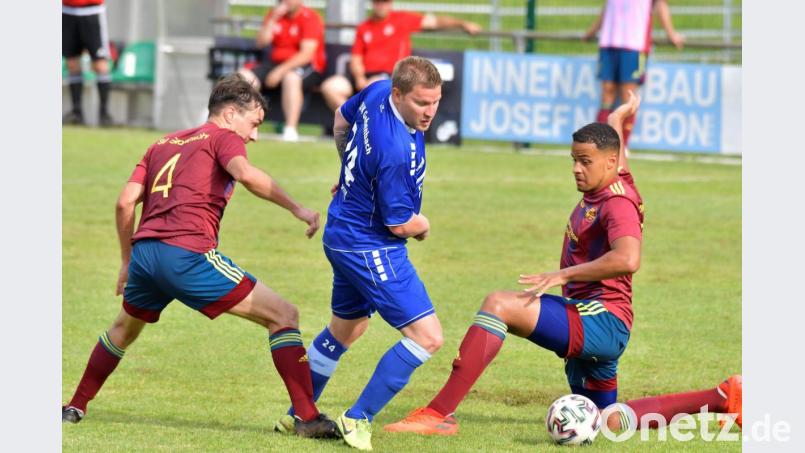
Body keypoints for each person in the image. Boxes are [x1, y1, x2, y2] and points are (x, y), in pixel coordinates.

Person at [383, 91, 742, 436]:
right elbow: (616, 151)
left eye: (584, 161)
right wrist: (617, 117)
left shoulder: (617, 205)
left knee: (499, 305)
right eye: (573, 159)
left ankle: (438, 414)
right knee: (606, 421)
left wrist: (562, 275)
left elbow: (628, 258)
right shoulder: (617, 177)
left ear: (609, 163)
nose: (575, 169)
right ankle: (723, 397)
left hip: (601, 319)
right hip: (600, 322)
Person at [61, 73, 339, 439]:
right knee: (284, 315)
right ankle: (307, 416)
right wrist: (296, 208)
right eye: (253, 123)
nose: (254, 135)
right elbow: (247, 175)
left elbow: (125, 202)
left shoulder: (162, 143)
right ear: (229, 115)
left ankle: (74, 406)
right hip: (187, 254)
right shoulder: (223, 138)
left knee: (123, 330)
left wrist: (127, 261)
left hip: (145, 257)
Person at [271, 56, 443, 451]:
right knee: (427, 337)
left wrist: (352, 172)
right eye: (421, 103)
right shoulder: (396, 149)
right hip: (370, 245)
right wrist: (425, 224)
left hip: (342, 232)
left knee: (346, 329)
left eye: (435, 102)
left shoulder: (379, 88)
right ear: (399, 94)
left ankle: (300, 412)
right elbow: (400, 224)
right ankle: (358, 418)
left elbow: (340, 120)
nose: (429, 112)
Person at [320, 0, 481, 113]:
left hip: (391, 76)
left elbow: (435, 22)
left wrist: (462, 24)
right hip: (363, 78)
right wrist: (359, 77)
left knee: (373, 87)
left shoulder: (402, 19)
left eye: (385, 1)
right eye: (378, 1)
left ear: (390, 3)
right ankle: (356, 122)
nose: (381, 5)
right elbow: (356, 58)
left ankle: (366, 128)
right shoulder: (364, 27)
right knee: (330, 87)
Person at [583, 0, 684, 149]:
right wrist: (592, 31)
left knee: (627, 96)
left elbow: (661, 5)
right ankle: (600, 144)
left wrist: (671, 34)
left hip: (634, 44)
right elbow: (608, 7)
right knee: (607, 93)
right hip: (609, 42)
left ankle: (622, 145)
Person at [239, 0, 326, 142]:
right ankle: (242, 125)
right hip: (275, 63)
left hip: (306, 66)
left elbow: (306, 54)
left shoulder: (310, 17)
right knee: (244, 77)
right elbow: (261, 43)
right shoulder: (274, 14)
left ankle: (290, 129)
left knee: (291, 78)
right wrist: (273, 19)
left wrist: (280, 71)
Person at [62, 0, 115, 127]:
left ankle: (104, 114)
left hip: (92, 11)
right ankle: (76, 113)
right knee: (72, 63)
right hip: (67, 10)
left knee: (100, 63)